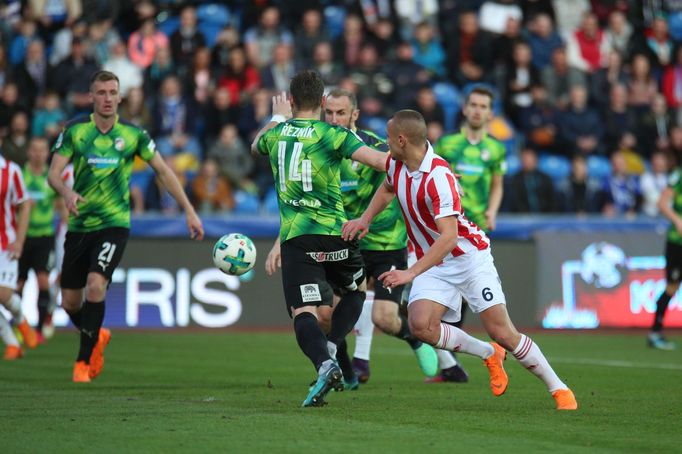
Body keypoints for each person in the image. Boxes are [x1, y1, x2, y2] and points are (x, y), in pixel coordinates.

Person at [342, 110, 578, 410]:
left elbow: (449, 238)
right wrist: (365, 218)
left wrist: (409, 272)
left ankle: (559, 389)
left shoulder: (439, 178)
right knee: (420, 325)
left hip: (468, 259)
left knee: (502, 332)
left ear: (402, 140)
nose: (386, 144)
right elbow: (388, 187)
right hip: (435, 261)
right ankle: (488, 354)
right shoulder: (397, 164)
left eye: (389, 139)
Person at [264, 89, 439, 387]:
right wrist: (278, 243)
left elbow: (403, 162)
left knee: (385, 318)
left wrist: (438, 174)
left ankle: (411, 339)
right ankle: (346, 373)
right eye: (329, 113)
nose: (334, 119)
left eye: (340, 113)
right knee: (325, 317)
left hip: (382, 241)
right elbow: (301, 204)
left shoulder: (369, 145)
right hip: (340, 240)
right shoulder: (317, 146)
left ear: (354, 115)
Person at [48, 70, 204, 383]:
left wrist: (189, 211)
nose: (107, 98)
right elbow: (53, 174)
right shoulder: (76, 130)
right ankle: (97, 335)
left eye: (112, 92)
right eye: (101, 92)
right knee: (69, 302)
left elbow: (163, 171)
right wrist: (66, 192)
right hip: (80, 224)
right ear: (91, 97)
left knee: (96, 284)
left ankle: (83, 361)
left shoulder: (134, 135)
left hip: (115, 223)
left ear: (120, 97)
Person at [252, 70, 387, 407]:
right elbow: (380, 161)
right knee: (355, 291)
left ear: (292, 101)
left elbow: (256, 145)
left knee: (304, 312)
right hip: (335, 236)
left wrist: (275, 117)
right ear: (324, 102)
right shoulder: (333, 134)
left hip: (297, 241)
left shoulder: (277, 134)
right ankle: (333, 348)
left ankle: (325, 362)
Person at [432, 86, 506, 383]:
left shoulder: (497, 149)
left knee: (464, 293)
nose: (477, 110)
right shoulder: (448, 144)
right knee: (444, 287)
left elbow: (498, 184)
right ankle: (450, 358)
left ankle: (450, 358)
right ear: (464, 109)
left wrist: (493, 211)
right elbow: (434, 176)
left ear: (490, 113)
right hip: (449, 224)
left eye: (483, 106)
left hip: (477, 230)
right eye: (473, 104)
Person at [17, 137, 67, 340]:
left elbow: (61, 205)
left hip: (45, 236)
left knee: (43, 281)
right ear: (29, 152)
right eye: (35, 150)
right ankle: (19, 326)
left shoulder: (53, 177)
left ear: (48, 153)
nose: (38, 154)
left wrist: (68, 226)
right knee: (17, 284)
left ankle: (39, 328)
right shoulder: (20, 175)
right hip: (23, 236)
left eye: (42, 150)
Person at [0, 152, 38, 359]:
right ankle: (13, 344)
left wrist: (20, 240)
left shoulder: (11, 170)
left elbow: (24, 205)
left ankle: (20, 319)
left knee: (3, 294)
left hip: (5, 244)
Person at [647, 166, 682, 350]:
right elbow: (662, 203)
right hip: (677, 242)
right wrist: (677, 220)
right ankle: (655, 332)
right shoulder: (678, 175)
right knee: (672, 286)